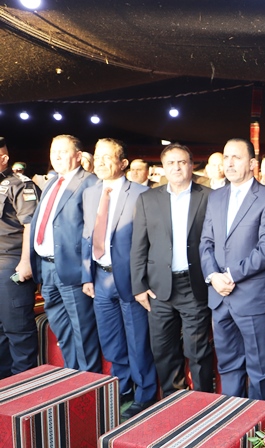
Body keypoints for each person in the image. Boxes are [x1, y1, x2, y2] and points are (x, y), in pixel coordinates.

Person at [200, 138, 265, 400]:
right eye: (226, 157)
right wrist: (213, 276)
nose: (230, 163)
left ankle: (261, 423)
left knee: (260, 370)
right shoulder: (215, 197)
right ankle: (232, 419)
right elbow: (206, 242)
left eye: (236, 157)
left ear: (252, 163)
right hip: (219, 296)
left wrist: (230, 275)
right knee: (227, 367)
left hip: (253, 297)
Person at [82, 138, 157, 419]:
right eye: (97, 156)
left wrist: (143, 281)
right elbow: (87, 235)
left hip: (131, 280)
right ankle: (122, 387)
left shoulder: (141, 193)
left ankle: (145, 393)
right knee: (111, 340)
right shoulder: (90, 193)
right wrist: (86, 275)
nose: (100, 162)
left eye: (107, 157)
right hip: (100, 278)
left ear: (123, 163)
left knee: (138, 341)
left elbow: (149, 242)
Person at [131, 143, 215, 396]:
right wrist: (139, 286)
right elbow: (139, 245)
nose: (176, 167)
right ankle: (173, 399)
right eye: (171, 163)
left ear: (191, 166)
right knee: (163, 349)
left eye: (182, 162)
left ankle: (202, 399)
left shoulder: (209, 196)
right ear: (163, 168)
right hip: (158, 287)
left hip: (194, 284)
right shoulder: (148, 199)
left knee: (197, 350)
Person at [30, 135, 101, 373]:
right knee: (62, 328)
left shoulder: (90, 182)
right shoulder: (52, 182)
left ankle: (89, 381)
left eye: (63, 151)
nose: (57, 156)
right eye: (54, 151)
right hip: (47, 267)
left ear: (78, 156)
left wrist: (87, 272)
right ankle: (71, 375)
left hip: (73, 269)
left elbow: (93, 231)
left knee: (83, 330)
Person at [0, 137, 40, 379]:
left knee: (18, 330)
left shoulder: (20, 184)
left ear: (3, 158)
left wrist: (26, 262)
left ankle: (23, 388)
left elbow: (31, 225)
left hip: (11, 264)